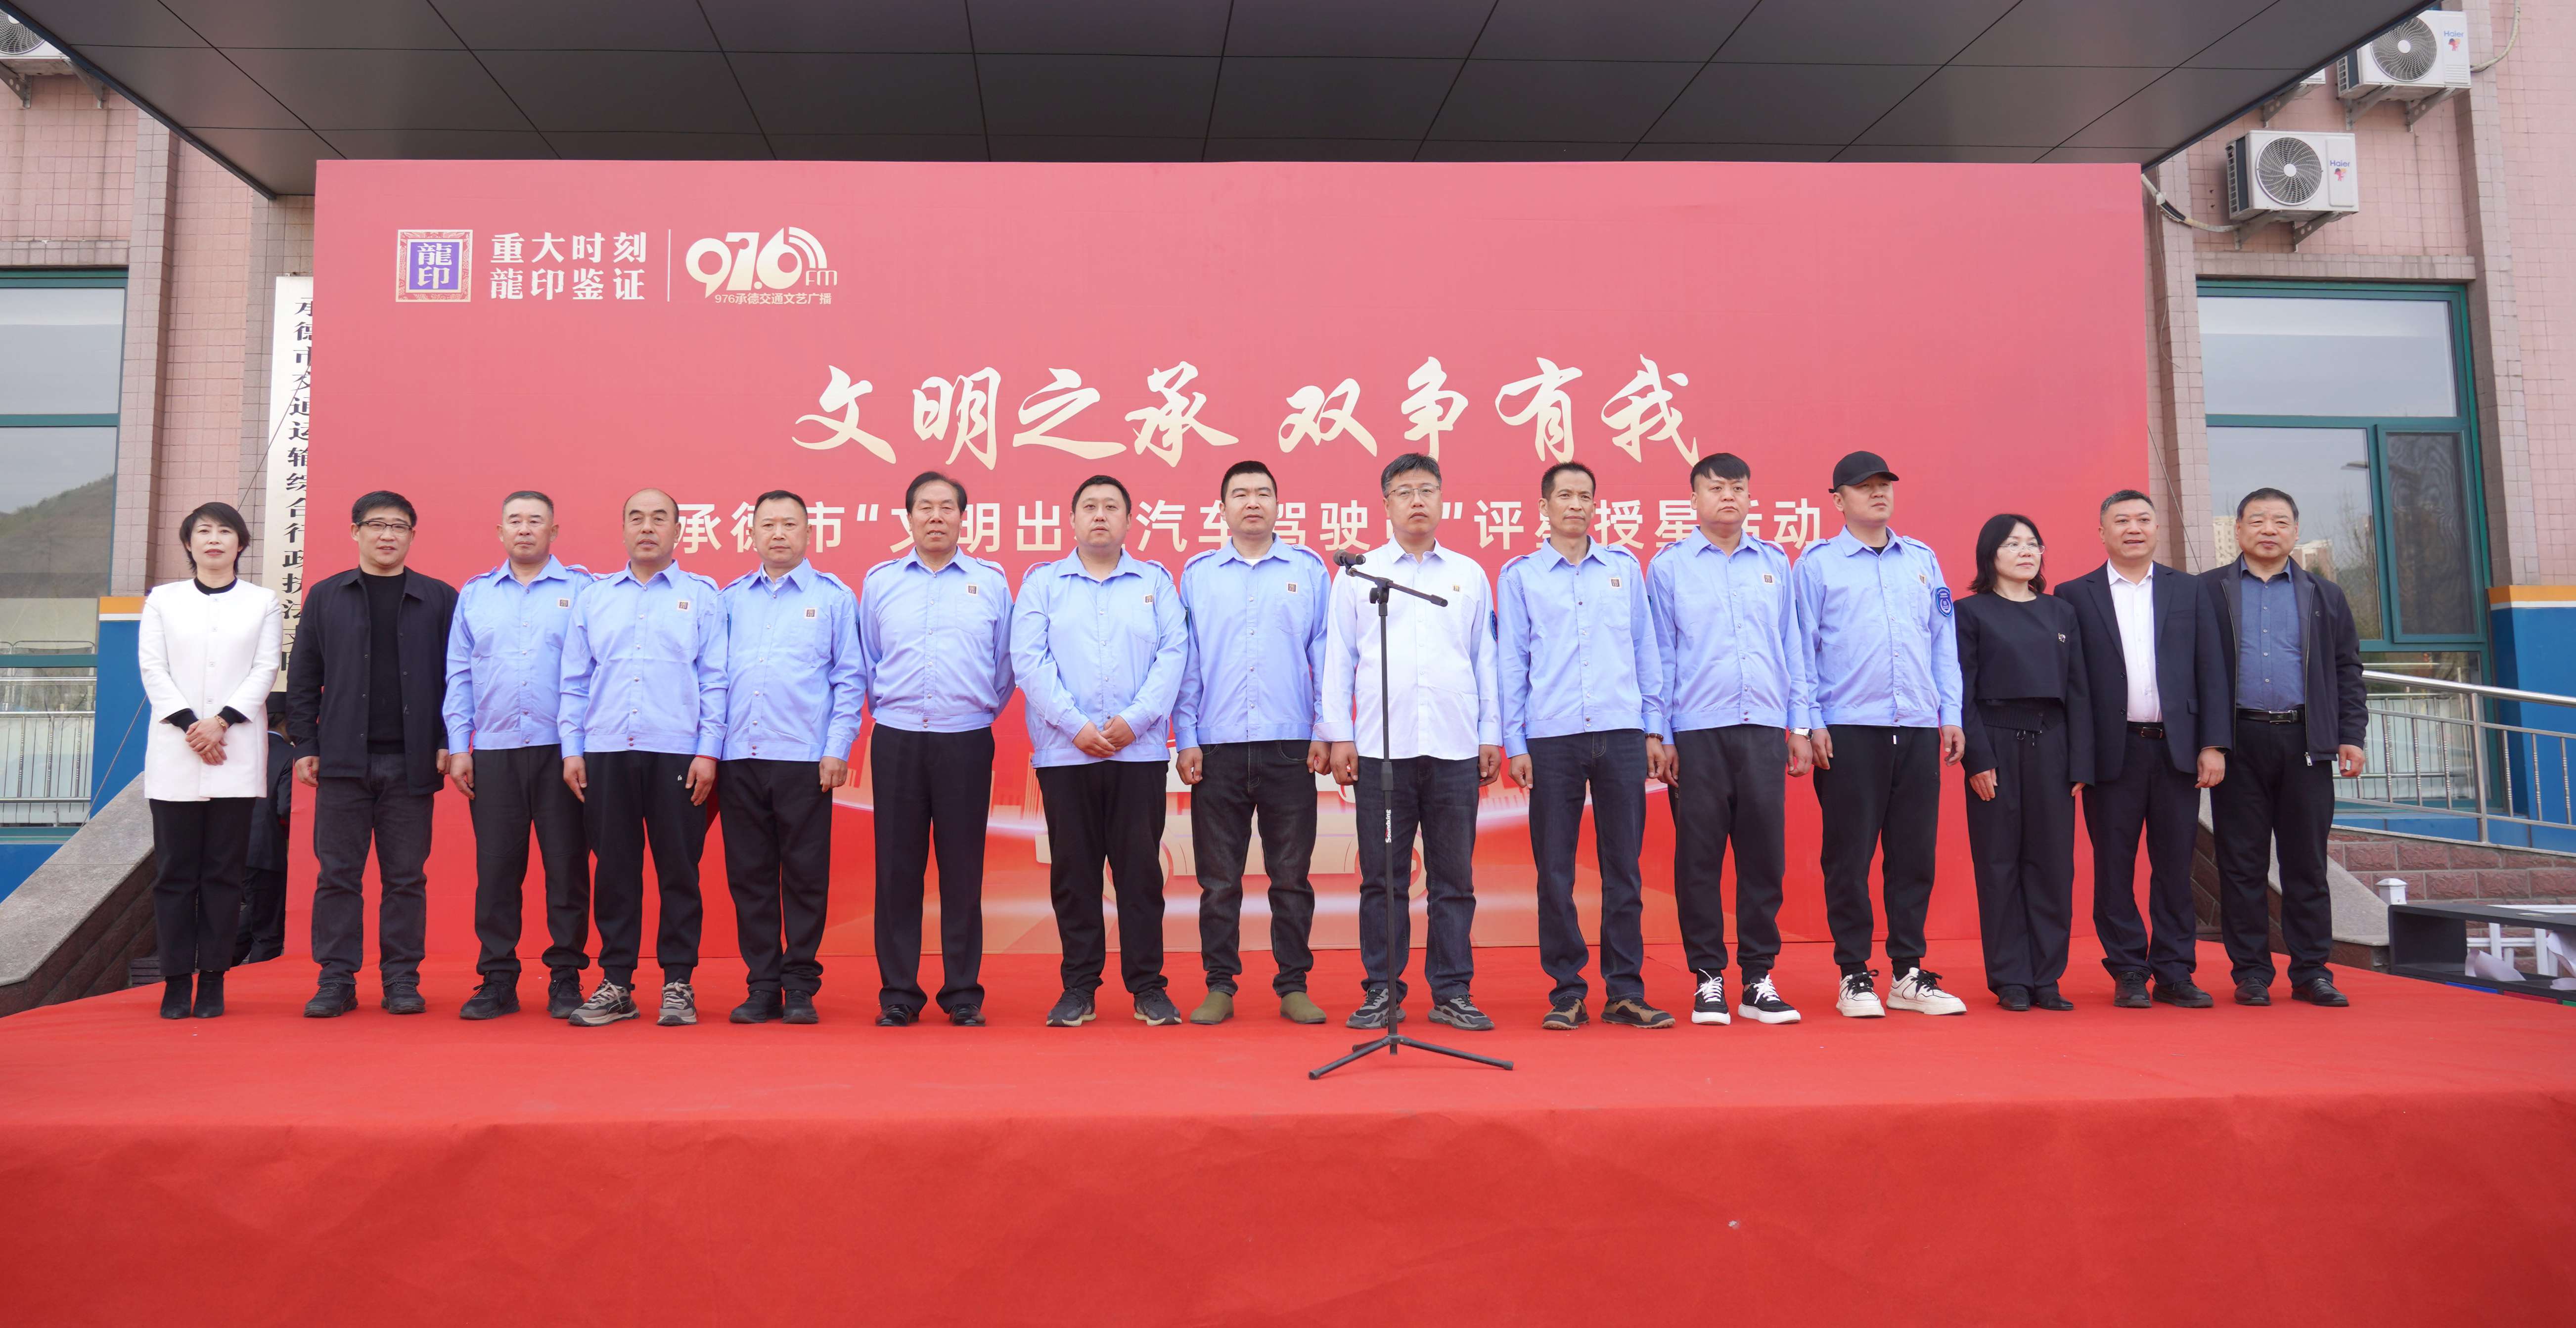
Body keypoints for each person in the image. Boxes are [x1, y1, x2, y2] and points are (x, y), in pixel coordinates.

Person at [1321, 452, 1504, 1034]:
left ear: (1442, 498)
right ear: (1386, 504)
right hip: (1382, 750)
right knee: (1383, 879)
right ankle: (1382, 989)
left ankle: (1452, 991)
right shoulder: (1359, 575)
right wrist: (1340, 734)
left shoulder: (1468, 574)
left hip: (1454, 746)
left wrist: (1491, 733)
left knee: (1454, 879)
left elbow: (1484, 658)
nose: (1417, 501)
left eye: (1427, 489)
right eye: (1404, 492)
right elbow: (1338, 659)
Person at [1792, 451, 1970, 1018]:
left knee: (1913, 856)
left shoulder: (1921, 559)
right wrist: (1810, 721)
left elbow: (1943, 642)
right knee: (1848, 858)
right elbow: (1801, 648)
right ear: (1837, 499)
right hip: (1849, 728)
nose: (1878, 494)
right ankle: (1853, 973)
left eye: (1884, 485)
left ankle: (1908, 973)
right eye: (1863, 486)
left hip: (1915, 725)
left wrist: (1950, 714)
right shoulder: (1817, 565)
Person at [1498, 460, 1670, 1031]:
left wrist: (1653, 729)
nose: (1576, 505)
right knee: (1555, 871)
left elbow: (1646, 650)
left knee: (1624, 869)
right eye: (1565, 496)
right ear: (1543, 506)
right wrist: (1515, 742)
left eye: (1585, 496)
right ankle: (1567, 991)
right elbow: (1511, 662)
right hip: (1551, 737)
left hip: (1621, 732)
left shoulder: (1623, 569)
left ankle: (1624, 991)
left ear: (1596, 505)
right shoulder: (1521, 576)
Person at [1012, 475, 1189, 1028]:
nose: (1100, 515)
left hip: (1138, 755)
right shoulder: (1043, 584)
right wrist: (1075, 726)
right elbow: (1029, 662)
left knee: (1140, 875)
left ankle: (1148, 988)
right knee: (1075, 874)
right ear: (1071, 520)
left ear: (1129, 521)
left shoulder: (1155, 582)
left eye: (1112, 507)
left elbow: (1174, 655)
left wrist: (1135, 721)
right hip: (1067, 755)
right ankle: (1079, 988)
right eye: (1089, 506)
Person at [1647, 452, 1816, 1026]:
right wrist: (1660, 732)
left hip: (1764, 728)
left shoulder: (1773, 561)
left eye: (1738, 487)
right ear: (1693, 499)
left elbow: (1792, 645)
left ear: (1749, 496)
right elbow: (1660, 654)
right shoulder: (1669, 567)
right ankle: (1708, 978)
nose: (1728, 497)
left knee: (1763, 857)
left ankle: (1758, 978)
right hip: (1696, 731)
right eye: (1716, 488)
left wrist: (1799, 724)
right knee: (1699, 860)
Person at [284, 490, 457, 1018]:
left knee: (406, 878)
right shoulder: (326, 596)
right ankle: (336, 980)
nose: (387, 535)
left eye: (399, 526)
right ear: (355, 531)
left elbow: (459, 679)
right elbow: (303, 677)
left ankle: (401, 979)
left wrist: (450, 740)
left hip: (412, 762)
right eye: (377, 525)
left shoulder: (439, 599)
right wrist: (305, 744)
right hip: (342, 761)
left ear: (412, 535)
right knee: (338, 876)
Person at [559, 487, 727, 1028]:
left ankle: (678, 983)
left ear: (679, 531)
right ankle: (617, 983)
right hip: (606, 750)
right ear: (624, 529)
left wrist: (708, 751)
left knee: (679, 871)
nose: (647, 527)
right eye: (637, 518)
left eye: (659, 518)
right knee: (614, 871)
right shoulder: (596, 597)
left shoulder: (703, 596)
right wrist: (572, 749)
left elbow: (716, 679)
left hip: (678, 752)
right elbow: (574, 681)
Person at [1174, 460, 1332, 1026]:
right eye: (1240, 494)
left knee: (1291, 877)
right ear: (1222, 509)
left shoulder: (1308, 570)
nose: (1252, 502)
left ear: (1277, 505)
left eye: (1263, 493)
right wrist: (1186, 737)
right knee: (1219, 882)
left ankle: (1293, 985)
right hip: (1216, 746)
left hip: (1290, 746)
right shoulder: (1198, 575)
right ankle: (1219, 985)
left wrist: (1325, 730)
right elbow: (1187, 661)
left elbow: (1324, 655)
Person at [2057, 490, 2229, 1009]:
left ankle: (2175, 971)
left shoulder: (2189, 590)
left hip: (2176, 751)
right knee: (2114, 867)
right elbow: (2071, 685)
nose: (2133, 528)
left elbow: (2211, 670)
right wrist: (2077, 759)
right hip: (2112, 754)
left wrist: (2213, 744)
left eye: (2142, 519)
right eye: (2121, 521)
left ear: (2156, 528)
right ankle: (2128, 969)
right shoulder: (2074, 595)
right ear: (2102, 532)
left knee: (2174, 866)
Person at [2201, 487, 2366, 1008]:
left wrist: (2350, 734)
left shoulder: (2325, 595)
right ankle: (2251, 972)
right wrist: (2208, 742)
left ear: (2295, 531)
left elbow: (2346, 670)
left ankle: (2312, 971)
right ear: (2238, 530)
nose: (2268, 530)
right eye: (2256, 521)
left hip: (2305, 742)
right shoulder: (2208, 591)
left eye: (2279, 521)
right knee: (2241, 865)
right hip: (2236, 742)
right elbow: (2194, 671)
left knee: (2306, 864)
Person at [860, 471, 1013, 1028]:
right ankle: (898, 993)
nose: (935, 517)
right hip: (897, 737)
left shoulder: (991, 582)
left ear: (963, 518)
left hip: (966, 739)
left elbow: (1004, 667)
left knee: (962, 870)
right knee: (896, 870)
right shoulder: (880, 582)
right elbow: (870, 661)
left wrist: (972, 713)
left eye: (947, 507)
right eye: (924, 507)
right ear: (908, 518)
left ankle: (963, 993)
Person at [441, 490, 593, 1020]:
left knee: (567, 869)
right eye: (515, 521)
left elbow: (596, 670)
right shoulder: (476, 594)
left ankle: (566, 976)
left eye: (535, 521)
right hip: (495, 750)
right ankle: (497, 979)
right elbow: (459, 673)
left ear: (554, 531)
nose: (524, 529)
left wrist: (580, 747)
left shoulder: (583, 589)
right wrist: (459, 745)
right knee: (497, 871)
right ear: (500, 532)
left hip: (563, 752)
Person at [718, 491, 864, 1026]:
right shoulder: (729, 600)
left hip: (805, 759)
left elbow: (850, 678)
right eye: (767, 525)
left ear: (808, 533)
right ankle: (762, 985)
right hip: (739, 757)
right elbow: (711, 679)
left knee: (805, 876)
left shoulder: (833, 598)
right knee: (750, 877)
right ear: (752, 534)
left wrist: (836, 749)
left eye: (789, 524)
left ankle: (800, 985)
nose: (778, 534)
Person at [138, 502, 284, 1018]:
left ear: (241, 544)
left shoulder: (262, 602)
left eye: (226, 531)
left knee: (224, 873)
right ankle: (177, 980)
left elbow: (265, 668)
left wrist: (219, 722)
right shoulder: (163, 600)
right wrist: (190, 725)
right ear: (188, 543)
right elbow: (153, 667)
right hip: (175, 752)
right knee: (175, 873)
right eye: (203, 531)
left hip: (235, 750)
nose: (215, 539)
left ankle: (215, 978)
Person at [1955, 515, 2095, 1011]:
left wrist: (2080, 762)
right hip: (1994, 743)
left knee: (2052, 865)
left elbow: (2079, 690)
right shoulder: (1969, 613)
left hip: (2052, 745)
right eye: (2013, 544)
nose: (2025, 552)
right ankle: (2010, 978)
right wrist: (1977, 758)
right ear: (1989, 554)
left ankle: (2046, 976)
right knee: (1998, 864)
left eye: (2033, 543)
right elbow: (1960, 691)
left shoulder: (2061, 612)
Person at [231, 718, 295, 967]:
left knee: (259, 912)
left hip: (228, 848)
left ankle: (216, 966)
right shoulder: (289, 756)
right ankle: (255, 981)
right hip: (265, 851)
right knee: (268, 932)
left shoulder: (238, 750)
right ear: (285, 723)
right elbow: (287, 808)